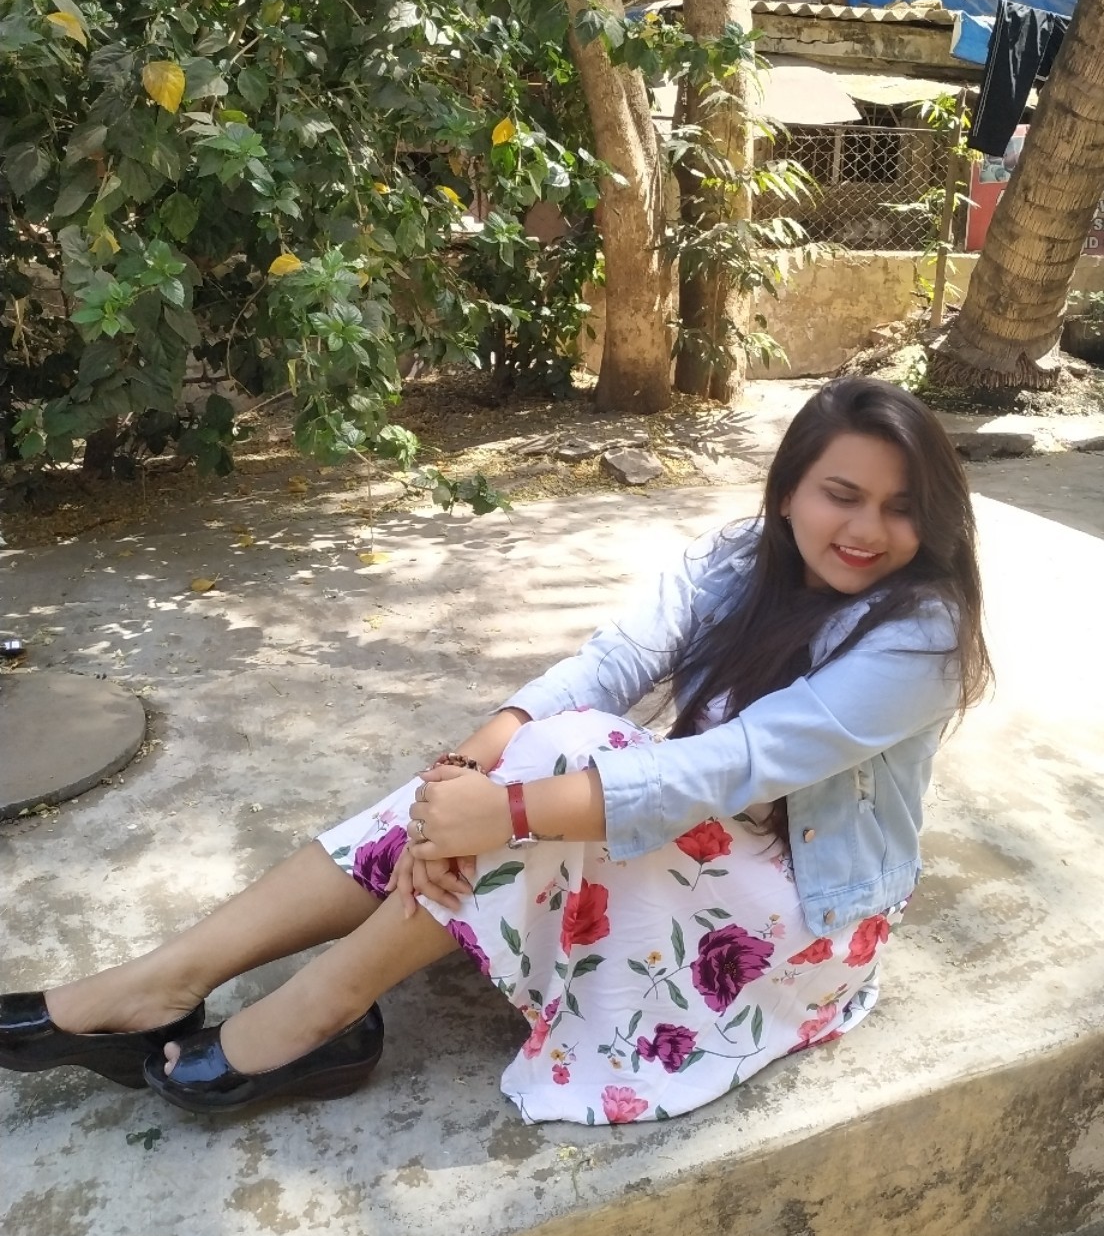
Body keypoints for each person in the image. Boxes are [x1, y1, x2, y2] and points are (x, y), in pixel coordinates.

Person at [0, 378, 990, 1125]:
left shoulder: (923, 636)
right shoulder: (745, 558)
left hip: (803, 921)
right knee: (522, 761)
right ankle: (167, 979)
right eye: (841, 494)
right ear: (787, 494)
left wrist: (505, 810)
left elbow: (727, 764)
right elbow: (615, 659)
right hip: (706, 843)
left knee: (564, 765)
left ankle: (321, 1011)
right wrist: (468, 771)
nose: (869, 529)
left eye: (902, 507)